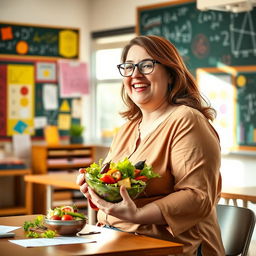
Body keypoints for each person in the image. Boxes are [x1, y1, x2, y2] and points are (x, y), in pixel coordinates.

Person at [77, 35, 225, 256]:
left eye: (146, 65)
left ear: (171, 74)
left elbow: (197, 196)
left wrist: (137, 215)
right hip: (116, 240)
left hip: (176, 248)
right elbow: (114, 189)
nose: (135, 74)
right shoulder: (128, 128)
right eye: (128, 67)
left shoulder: (187, 120)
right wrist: (94, 188)